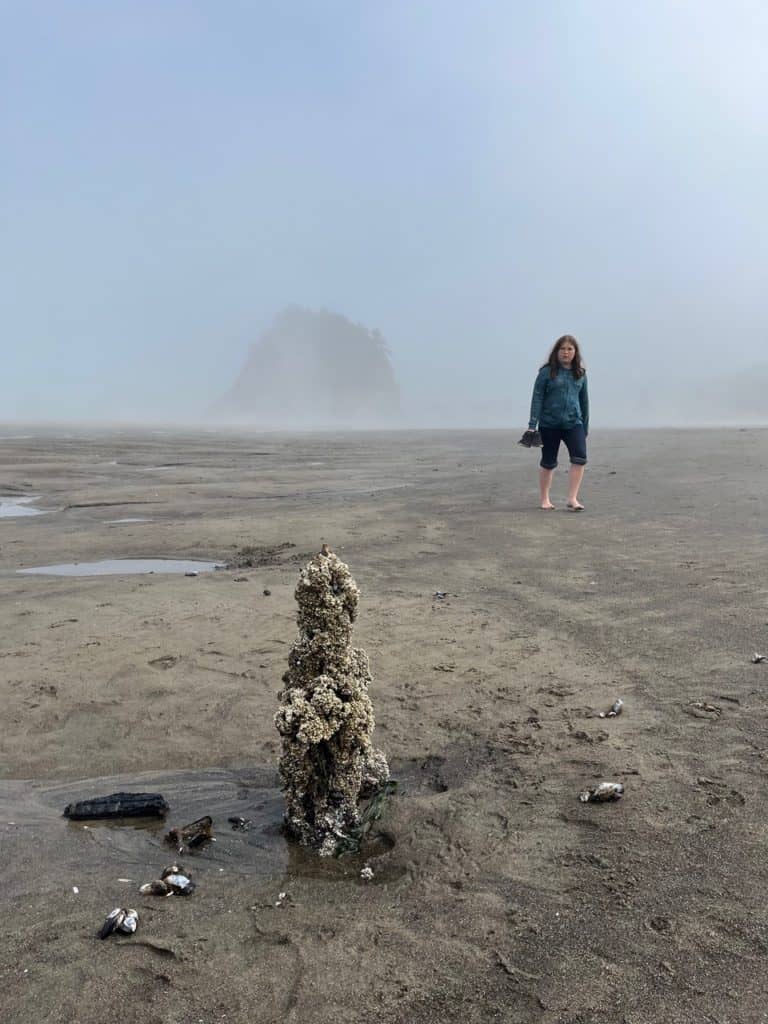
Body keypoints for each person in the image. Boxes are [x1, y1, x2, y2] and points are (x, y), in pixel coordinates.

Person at [527, 335, 589, 511]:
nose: (566, 352)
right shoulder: (546, 372)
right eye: (562, 349)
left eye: (570, 349)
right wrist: (532, 425)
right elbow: (537, 399)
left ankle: (572, 498)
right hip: (549, 424)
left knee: (580, 458)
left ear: (575, 352)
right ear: (556, 351)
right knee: (548, 461)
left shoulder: (581, 374)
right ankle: (545, 499)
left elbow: (584, 402)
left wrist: (585, 426)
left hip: (574, 423)